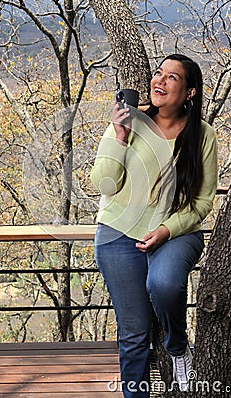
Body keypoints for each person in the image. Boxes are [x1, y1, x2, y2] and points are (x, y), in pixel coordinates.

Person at [90, 53, 218, 396]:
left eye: (171, 78)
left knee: (164, 284)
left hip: (175, 232)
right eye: (158, 74)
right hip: (118, 234)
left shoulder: (202, 135)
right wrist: (118, 137)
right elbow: (103, 183)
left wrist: (166, 230)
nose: (159, 81)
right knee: (132, 335)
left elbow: (203, 201)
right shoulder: (128, 122)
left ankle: (177, 346)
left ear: (190, 92)